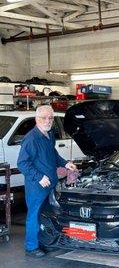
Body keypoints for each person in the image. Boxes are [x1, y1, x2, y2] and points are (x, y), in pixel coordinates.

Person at [17, 105, 76, 258]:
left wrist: (65, 163)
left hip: (50, 183)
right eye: (44, 118)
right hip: (38, 185)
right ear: (37, 119)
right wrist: (39, 177)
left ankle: (44, 241)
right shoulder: (31, 139)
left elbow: (53, 154)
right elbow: (22, 163)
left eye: (50, 118)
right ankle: (31, 247)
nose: (48, 120)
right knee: (34, 215)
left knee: (48, 214)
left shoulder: (49, 135)